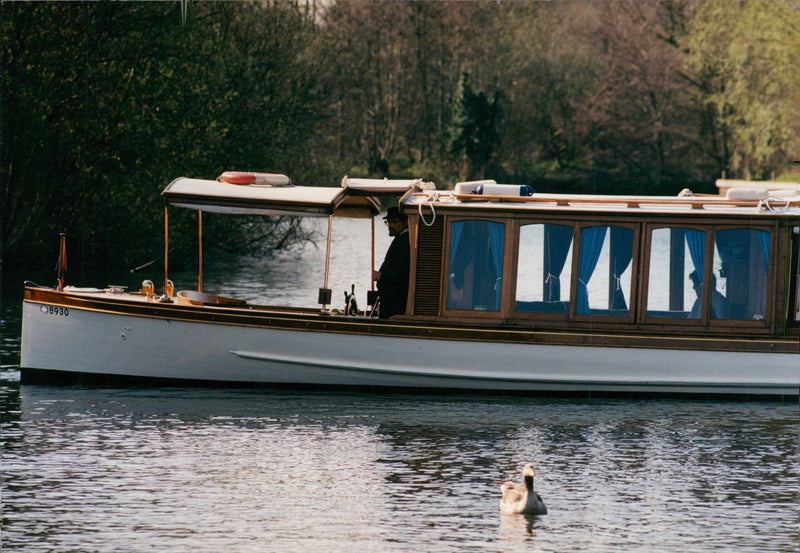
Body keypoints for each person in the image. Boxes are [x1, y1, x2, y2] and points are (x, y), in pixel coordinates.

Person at [373, 206, 410, 318]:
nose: (389, 225)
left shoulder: (405, 242)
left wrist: (380, 276)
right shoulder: (401, 239)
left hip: (395, 304)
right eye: (388, 222)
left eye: (394, 221)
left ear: (405, 222)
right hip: (390, 301)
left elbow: (403, 275)